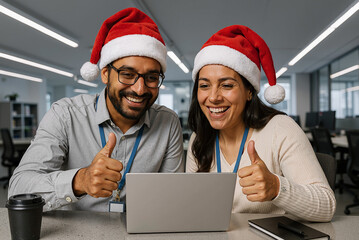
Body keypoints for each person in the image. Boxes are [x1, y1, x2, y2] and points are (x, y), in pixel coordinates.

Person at [9, 8, 184, 212]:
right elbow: (18, 189)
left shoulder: (168, 122)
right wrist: (80, 181)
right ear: (104, 74)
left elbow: (172, 197)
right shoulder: (65, 115)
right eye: (127, 74)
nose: (140, 88)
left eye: (152, 78)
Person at [186, 25, 336, 222]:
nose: (213, 97)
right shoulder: (200, 137)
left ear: (250, 92)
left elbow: (326, 205)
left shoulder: (280, 128)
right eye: (204, 86)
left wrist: (276, 187)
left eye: (227, 85)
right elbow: (191, 204)